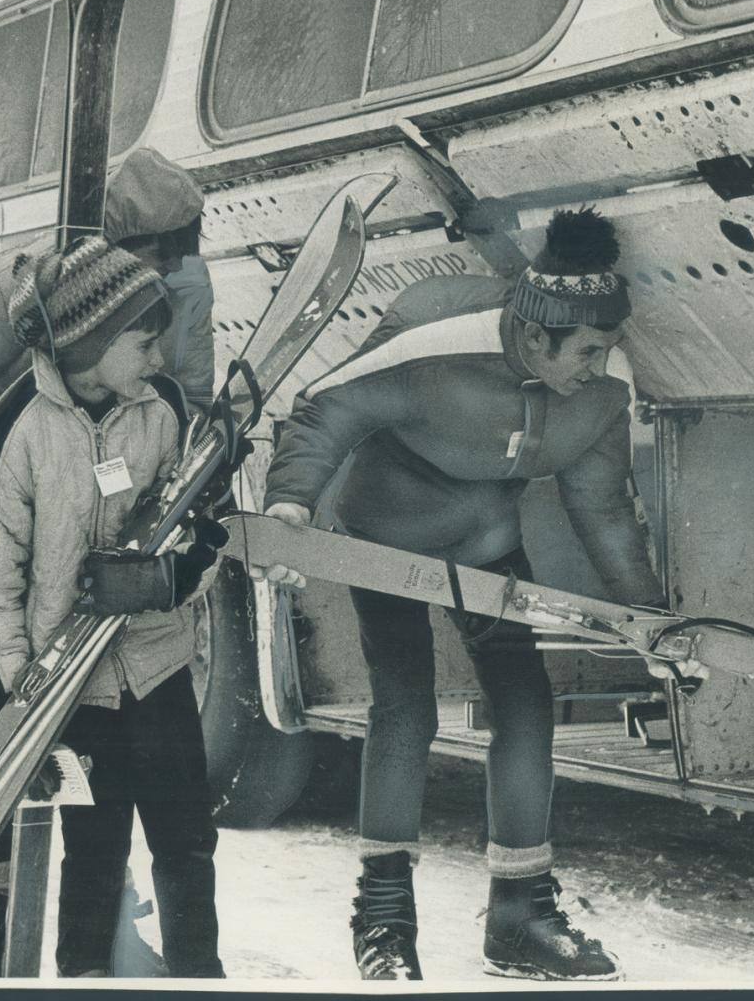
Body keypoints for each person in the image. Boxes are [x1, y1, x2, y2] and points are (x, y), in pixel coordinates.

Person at [261, 207, 661, 983]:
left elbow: (603, 507)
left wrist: (649, 616)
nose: (599, 363)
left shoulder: (603, 389)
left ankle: (520, 917)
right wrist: (290, 505)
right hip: (387, 534)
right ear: (534, 335)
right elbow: (323, 412)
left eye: (607, 348)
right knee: (405, 704)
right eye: (586, 349)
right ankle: (383, 920)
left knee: (525, 701)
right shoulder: (436, 343)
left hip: (487, 541)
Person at [0, 148, 212, 977]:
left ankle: (118, 943)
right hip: (14, 536)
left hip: (133, 579)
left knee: (138, 810)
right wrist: (6, 434)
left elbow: (198, 407)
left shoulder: (179, 289)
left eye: (181, 252)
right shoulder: (18, 280)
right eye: (155, 252)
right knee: (7, 756)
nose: (172, 271)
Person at [0, 235, 226, 978]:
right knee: (94, 845)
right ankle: (84, 976)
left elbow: (209, 532)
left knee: (185, 839)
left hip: (159, 669)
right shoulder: (20, 435)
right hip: (73, 689)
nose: (156, 359)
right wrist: (24, 676)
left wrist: (165, 586)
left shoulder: (164, 412)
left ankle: (199, 975)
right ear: (93, 340)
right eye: (145, 343)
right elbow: (0, 577)